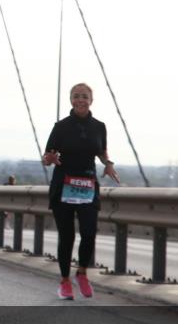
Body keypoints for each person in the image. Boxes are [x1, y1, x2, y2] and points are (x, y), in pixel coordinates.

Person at [43, 82, 120, 300]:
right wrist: (49, 159)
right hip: (63, 186)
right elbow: (47, 157)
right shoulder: (61, 126)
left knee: (89, 233)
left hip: (87, 186)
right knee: (66, 237)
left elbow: (102, 151)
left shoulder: (99, 126)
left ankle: (82, 272)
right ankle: (65, 281)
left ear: (91, 100)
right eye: (76, 96)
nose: (80, 100)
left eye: (84, 96)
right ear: (71, 100)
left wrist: (108, 163)